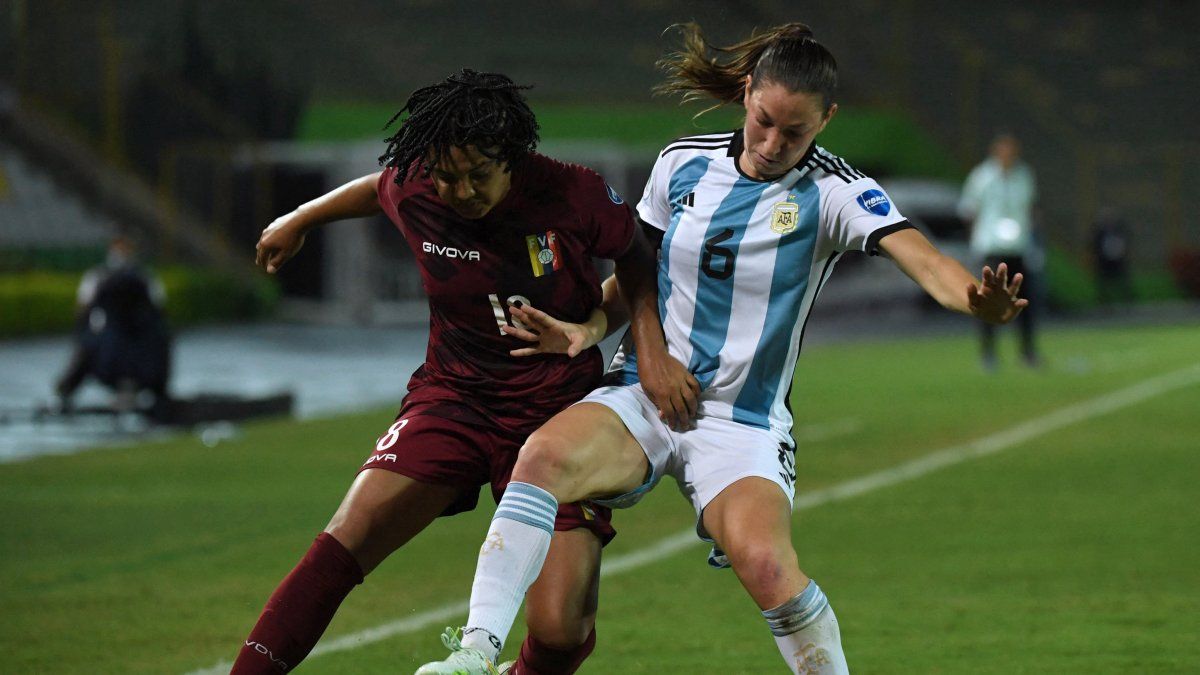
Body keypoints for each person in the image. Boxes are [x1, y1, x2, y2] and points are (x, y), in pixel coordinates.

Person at [419, 23, 1028, 675]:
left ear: (828, 120)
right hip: (642, 393)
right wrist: (589, 327)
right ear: (747, 95)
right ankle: (474, 651)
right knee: (540, 456)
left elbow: (930, 263)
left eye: (794, 133)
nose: (772, 144)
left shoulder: (836, 192)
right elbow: (636, 272)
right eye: (764, 121)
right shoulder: (682, 163)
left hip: (742, 423)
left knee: (767, 564)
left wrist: (976, 299)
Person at [232, 69, 694, 674]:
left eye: (479, 175)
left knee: (559, 628)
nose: (462, 191)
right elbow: (379, 187)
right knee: (347, 535)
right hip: (452, 399)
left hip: (557, 416)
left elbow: (635, 254)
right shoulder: (418, 186)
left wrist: (634, 346)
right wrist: (301, 218)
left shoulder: (572, 194)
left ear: (513, 159)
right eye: (448, 176)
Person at [54, 233, 172, 418]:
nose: (121, 253)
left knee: (161, 343)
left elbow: (158, 310)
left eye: (125, 248)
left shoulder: (144, 276)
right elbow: (83, 310)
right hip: (105, 334)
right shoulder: (97, 276)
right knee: (85, 349)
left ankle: (158, 393)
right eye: (118, 248)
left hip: (137, 335)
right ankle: (65, 392)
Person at [958, 132, 1039, 370]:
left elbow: (1030, 208)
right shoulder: (982, 176)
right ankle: (988, 354)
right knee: (988, 301)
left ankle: (1027, 353)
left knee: (1023, 301)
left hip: (1018, 247)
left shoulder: (1024, 175)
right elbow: (968, 209)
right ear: (996, 152)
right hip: (991, 247)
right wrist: (978, 237)